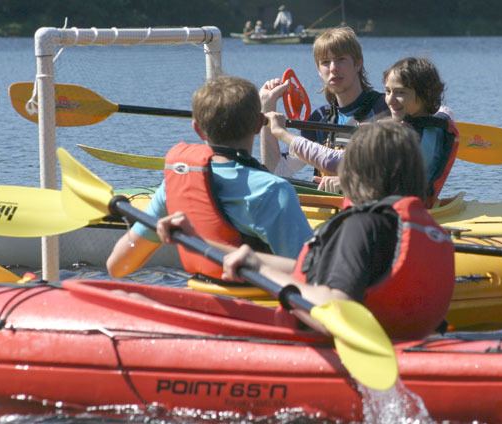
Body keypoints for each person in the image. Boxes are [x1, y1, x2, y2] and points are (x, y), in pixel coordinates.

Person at [156, 122, 455, 341]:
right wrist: (200, 241)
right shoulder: (398, 226)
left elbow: (337, 313)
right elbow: (309, 269)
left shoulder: (361, 226)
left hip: (353, 350)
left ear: (352, 173)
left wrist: (265, 272)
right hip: (407, 339)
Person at [107, 76, 313, 280]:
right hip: (259, 304)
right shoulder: (273, 191)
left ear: (197, 129)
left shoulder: (175, 183)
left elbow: (117, 266)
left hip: (202, 298)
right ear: (259, 124)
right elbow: (311, 275)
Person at [265, 56, 458, 206]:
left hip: (394, 212)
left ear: (424, 95)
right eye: (388, 91)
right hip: (413, 206)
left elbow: (332, 160)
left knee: (278, 186)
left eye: (400, 92)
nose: (389, 100)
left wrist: (283, 134)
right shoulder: (439, 124)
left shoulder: (403, 139)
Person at [259, 26, 388, 179]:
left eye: (341, 59)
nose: (333, 68)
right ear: (319, 71)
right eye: (326, 62)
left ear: (358, 64)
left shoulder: (384, 107)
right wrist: (267, 107)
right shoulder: (319, 118)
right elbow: (277, 172)